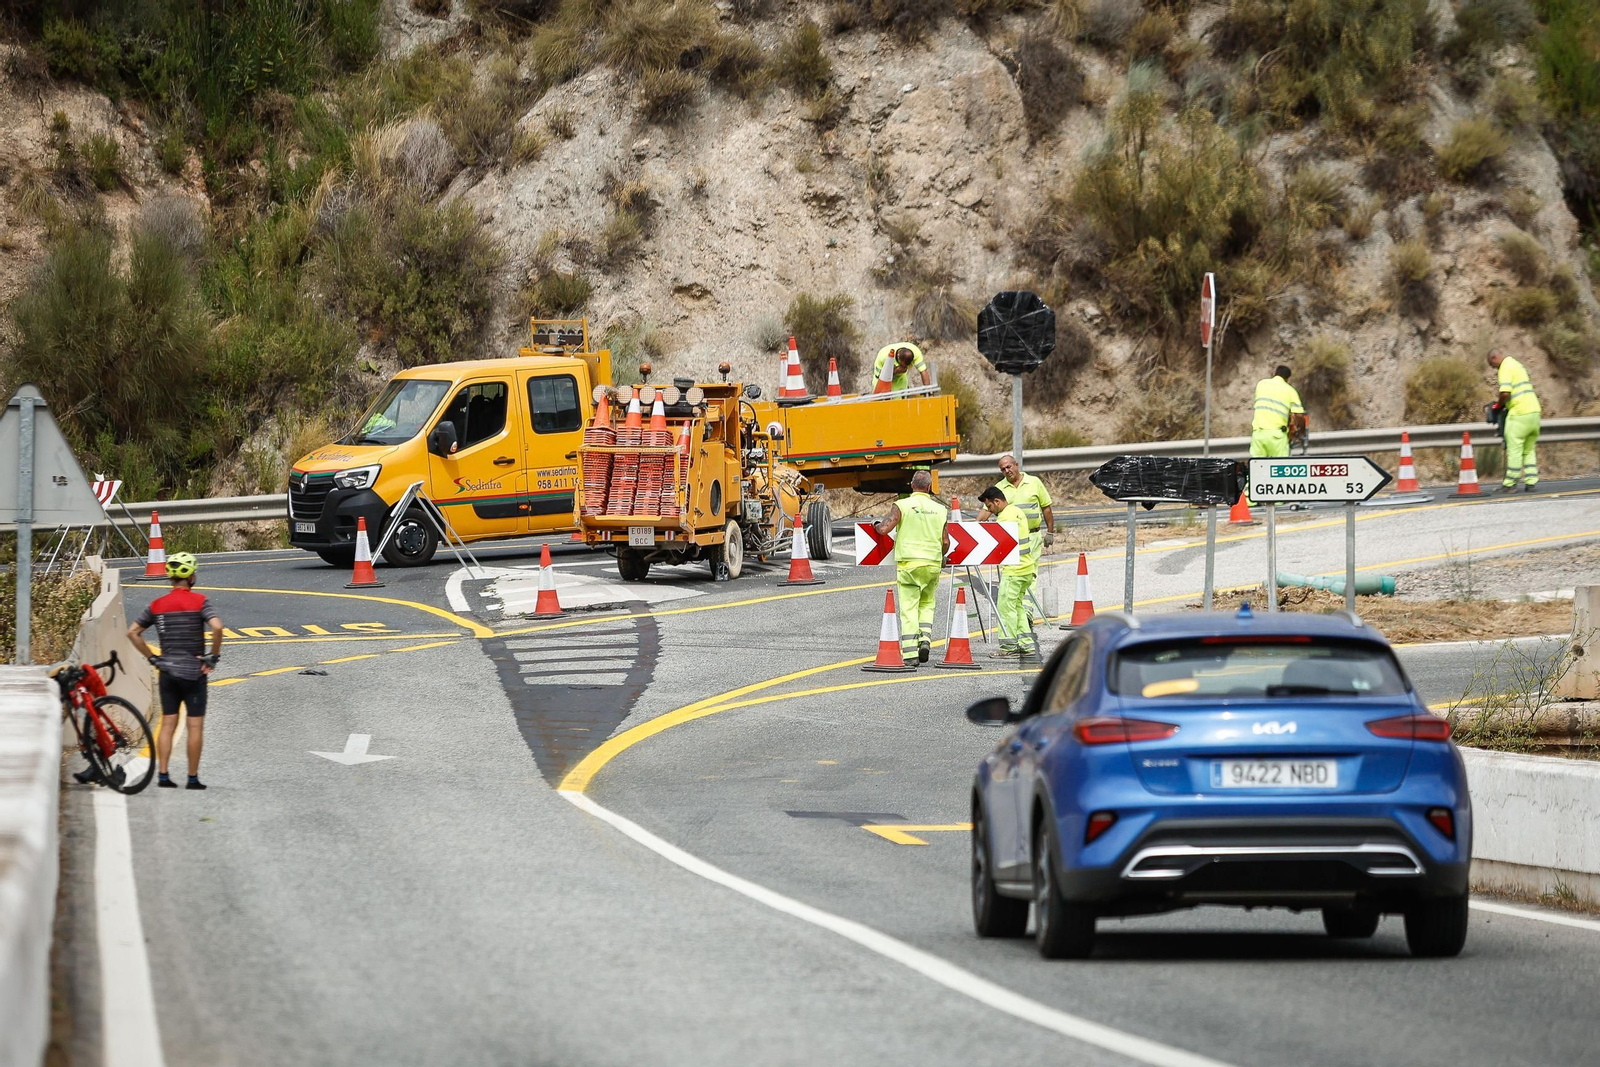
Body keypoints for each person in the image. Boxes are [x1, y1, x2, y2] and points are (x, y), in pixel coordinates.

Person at [127, 552, 223, 790]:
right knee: (195, 725)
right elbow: (217, 627)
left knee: (168, 722)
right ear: (190, 576)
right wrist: (213, 657)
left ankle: (163, 775)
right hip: (194, 672)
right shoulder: (200, 601)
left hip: (167, 671)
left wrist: (153, 658)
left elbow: (133, 632)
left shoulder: (157, 605)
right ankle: (192, 778)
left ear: (171, 577)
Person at [873, 470, 949, 665]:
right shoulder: (940, 510)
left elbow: (884, 529)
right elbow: (946, 542)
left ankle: (910, 655)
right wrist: (942, 557)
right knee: (927, 603)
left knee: (909, 608)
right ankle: (925, 639)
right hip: (932, 564)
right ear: (929, 487)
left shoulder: (902, 505)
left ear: (912, 485)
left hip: (909, 565)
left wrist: (875, 525)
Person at [978, 486, 1037, 657]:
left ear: (996, 501)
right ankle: (1026, 644)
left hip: (1014, 571)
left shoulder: (1005, 518)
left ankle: (1008, 646)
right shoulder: (1017, 511)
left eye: (989, 507)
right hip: (1026, 568)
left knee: (1005, 608)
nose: (989, 511)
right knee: (1017, 606)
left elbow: (998, 544)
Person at [1488, 349, 1541, 492]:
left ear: (1494, 358)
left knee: (1514, 449)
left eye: (1493, 365)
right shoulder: (1517, 365)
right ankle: (1531, 481)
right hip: (1534, 411)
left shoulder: (1505, 367)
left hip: (1519, 413)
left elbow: (1505, 392)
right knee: (1528, 449)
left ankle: (1510, 483)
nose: (1494, 369)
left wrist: (1498, 406)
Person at [980, 454, 1055, 554]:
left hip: (1032, 537)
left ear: (1016, 465)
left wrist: (1050, 532)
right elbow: (986, 510)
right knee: (1016, 568)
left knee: (1030, 567)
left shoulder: (1034, 482)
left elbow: (1046, 508)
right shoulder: (999, 488)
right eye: (1003, 469)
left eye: (1008, 467)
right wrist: (972, 528)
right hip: (1010, 539)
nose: (1006, 471)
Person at [1251, 364, 1307, 459]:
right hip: (1277, 437)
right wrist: (1299, 433)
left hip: (1258, 434)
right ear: (1288, 379)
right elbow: (1299, 416)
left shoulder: (1261, 384)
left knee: (1257, 469)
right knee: (1279, 469)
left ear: (1274, 373)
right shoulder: (1290, 390)